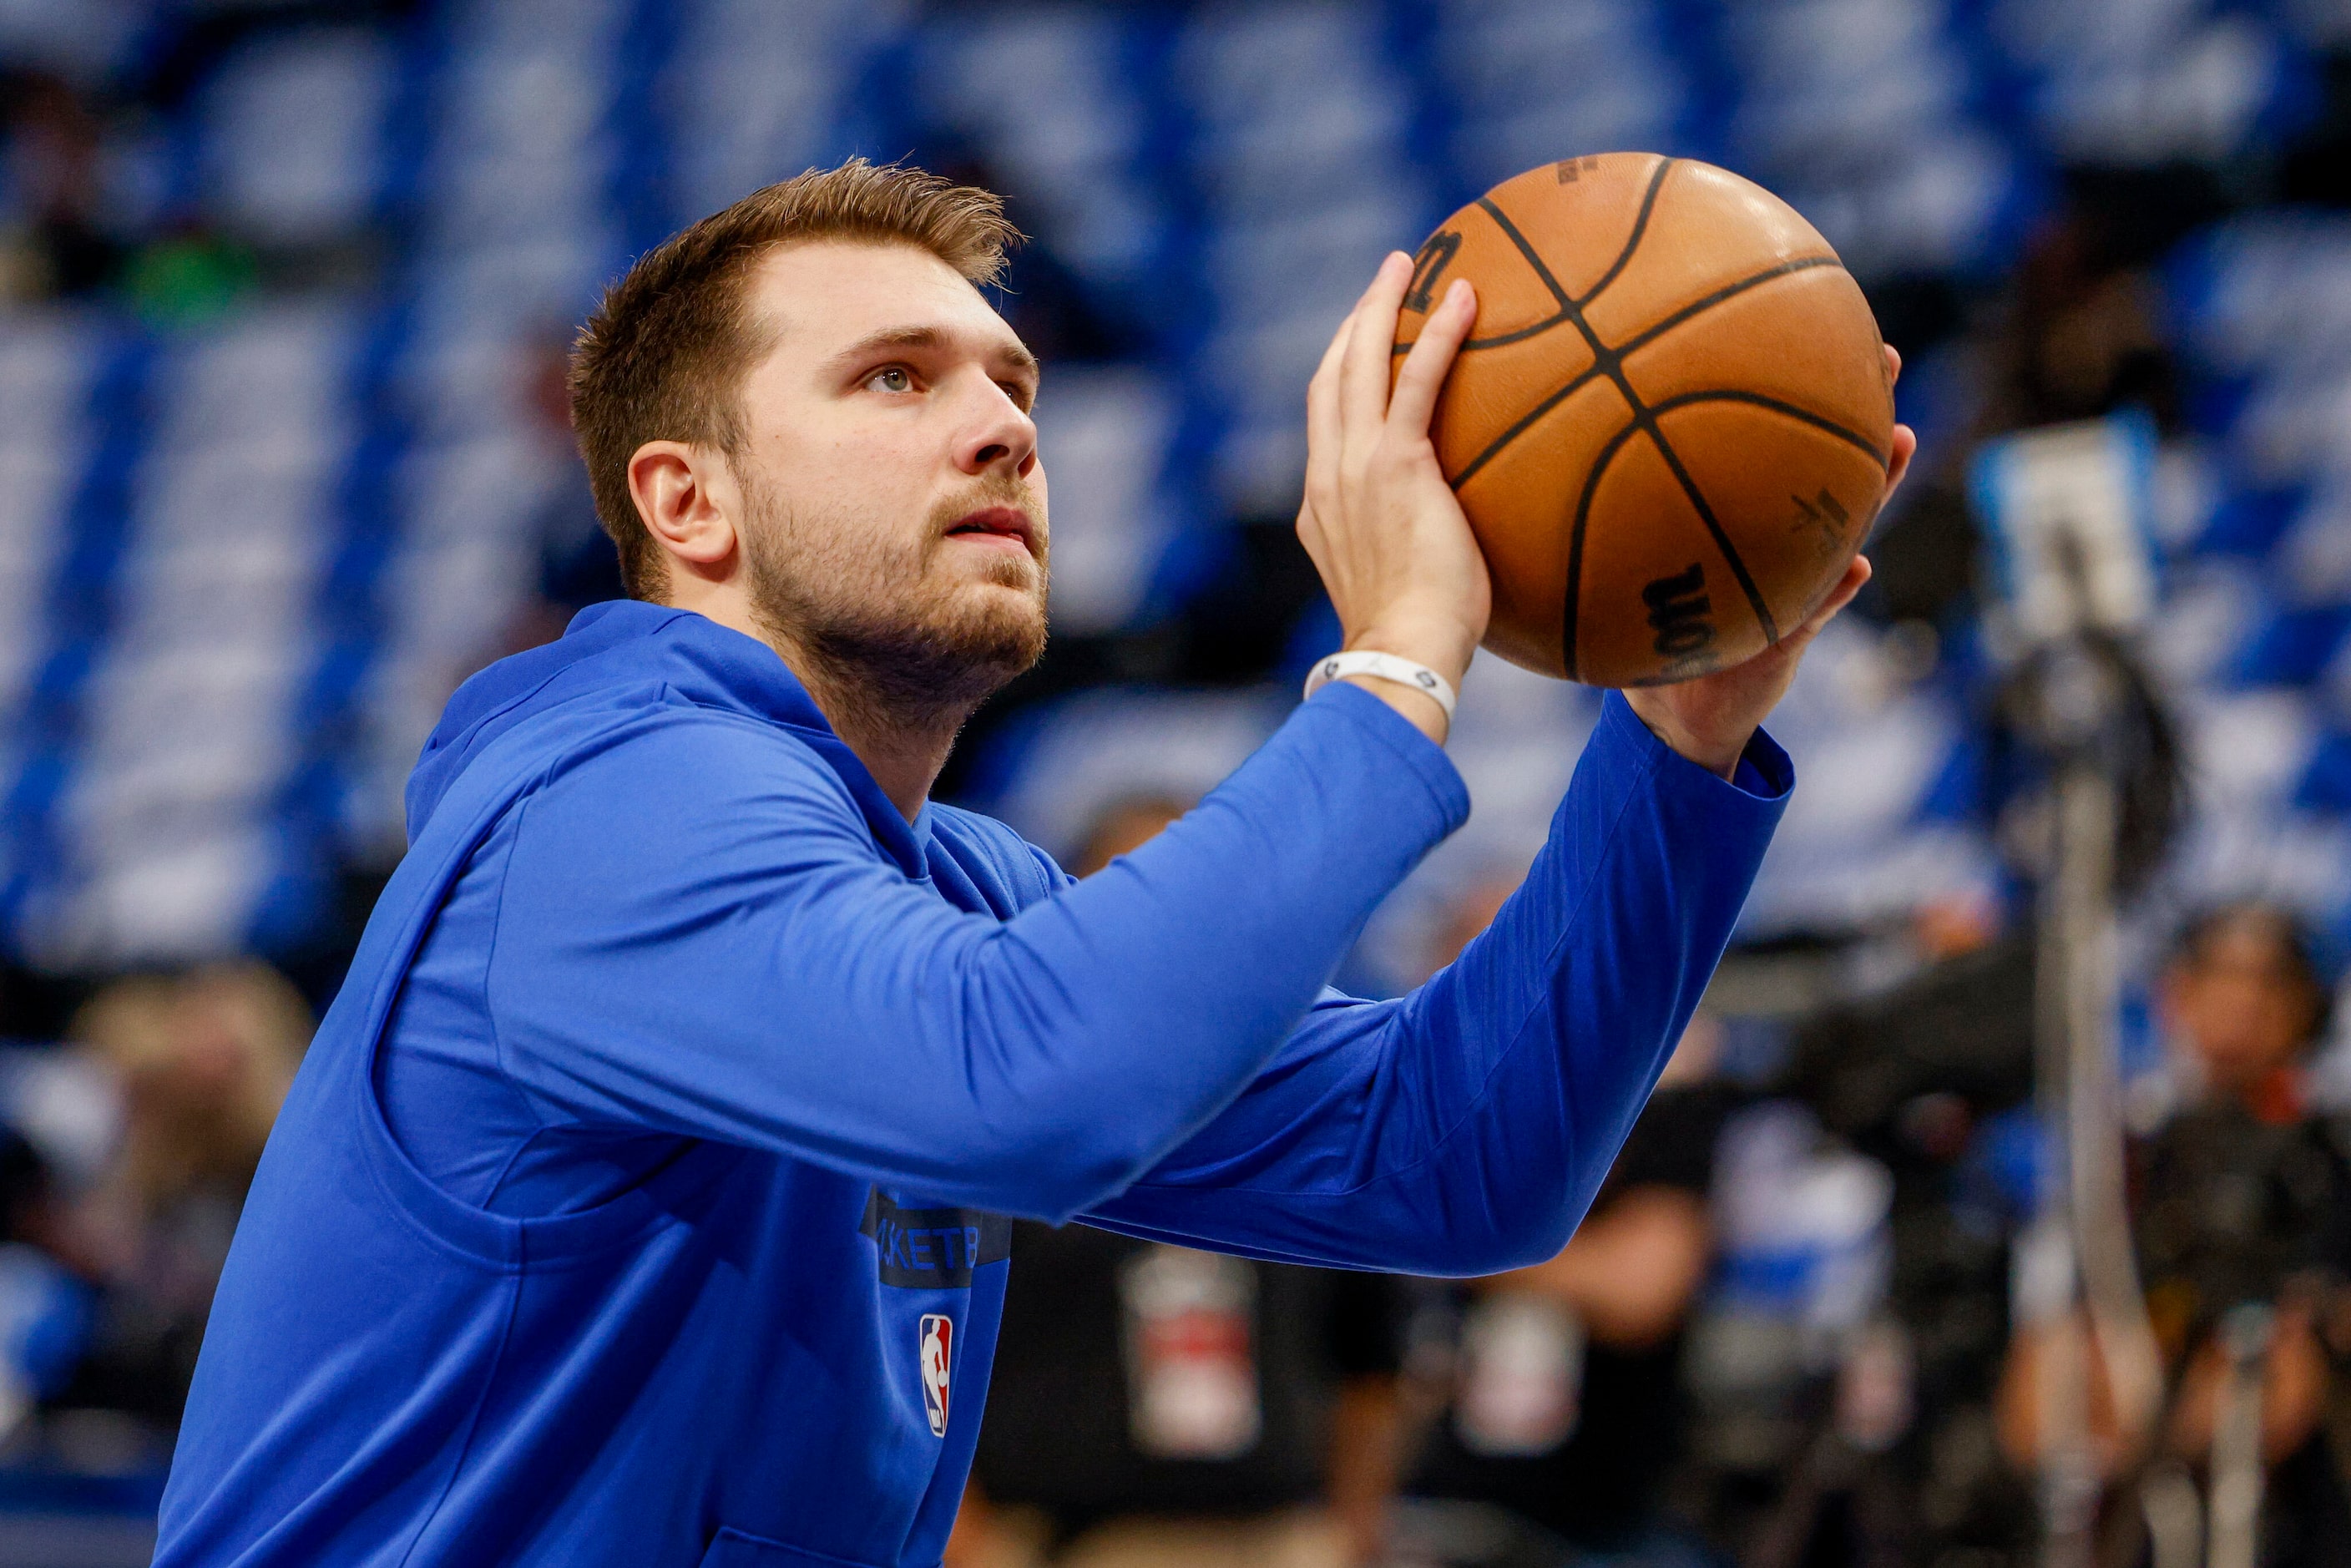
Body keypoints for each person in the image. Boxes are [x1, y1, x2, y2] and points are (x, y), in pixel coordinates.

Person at [154, 159, 1913, 1566]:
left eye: (1013, 384)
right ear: (689, 504)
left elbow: (1460, 1161)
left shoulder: (954, 896)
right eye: (894, 381)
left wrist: (1678, 751)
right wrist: (1389, 671)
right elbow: (1038, 1085)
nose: (1001, 427)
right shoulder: (610, 804)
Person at [954, 795, 1407, 1568]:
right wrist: (967, 1538)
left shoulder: (1305, 1100)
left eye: (1191, 893)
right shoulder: (984, 1113)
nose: (1162, 929)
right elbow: (913, 1335)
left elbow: (1374, 1351)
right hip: (1060, 1539)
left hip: (1276, 1537)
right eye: (1129, 894)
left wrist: (1350, 1528)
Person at [1996, 903, 2351, 1566]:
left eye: (2268, 983)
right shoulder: (2126, 1163)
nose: (2241, 1003)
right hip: (2137, 1529)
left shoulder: (2325, 1163)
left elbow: (2285, 1390)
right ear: (2175, 994)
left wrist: (2156, 1408)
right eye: (2220, 976)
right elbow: (2040, 1401)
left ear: (2308, 1006)